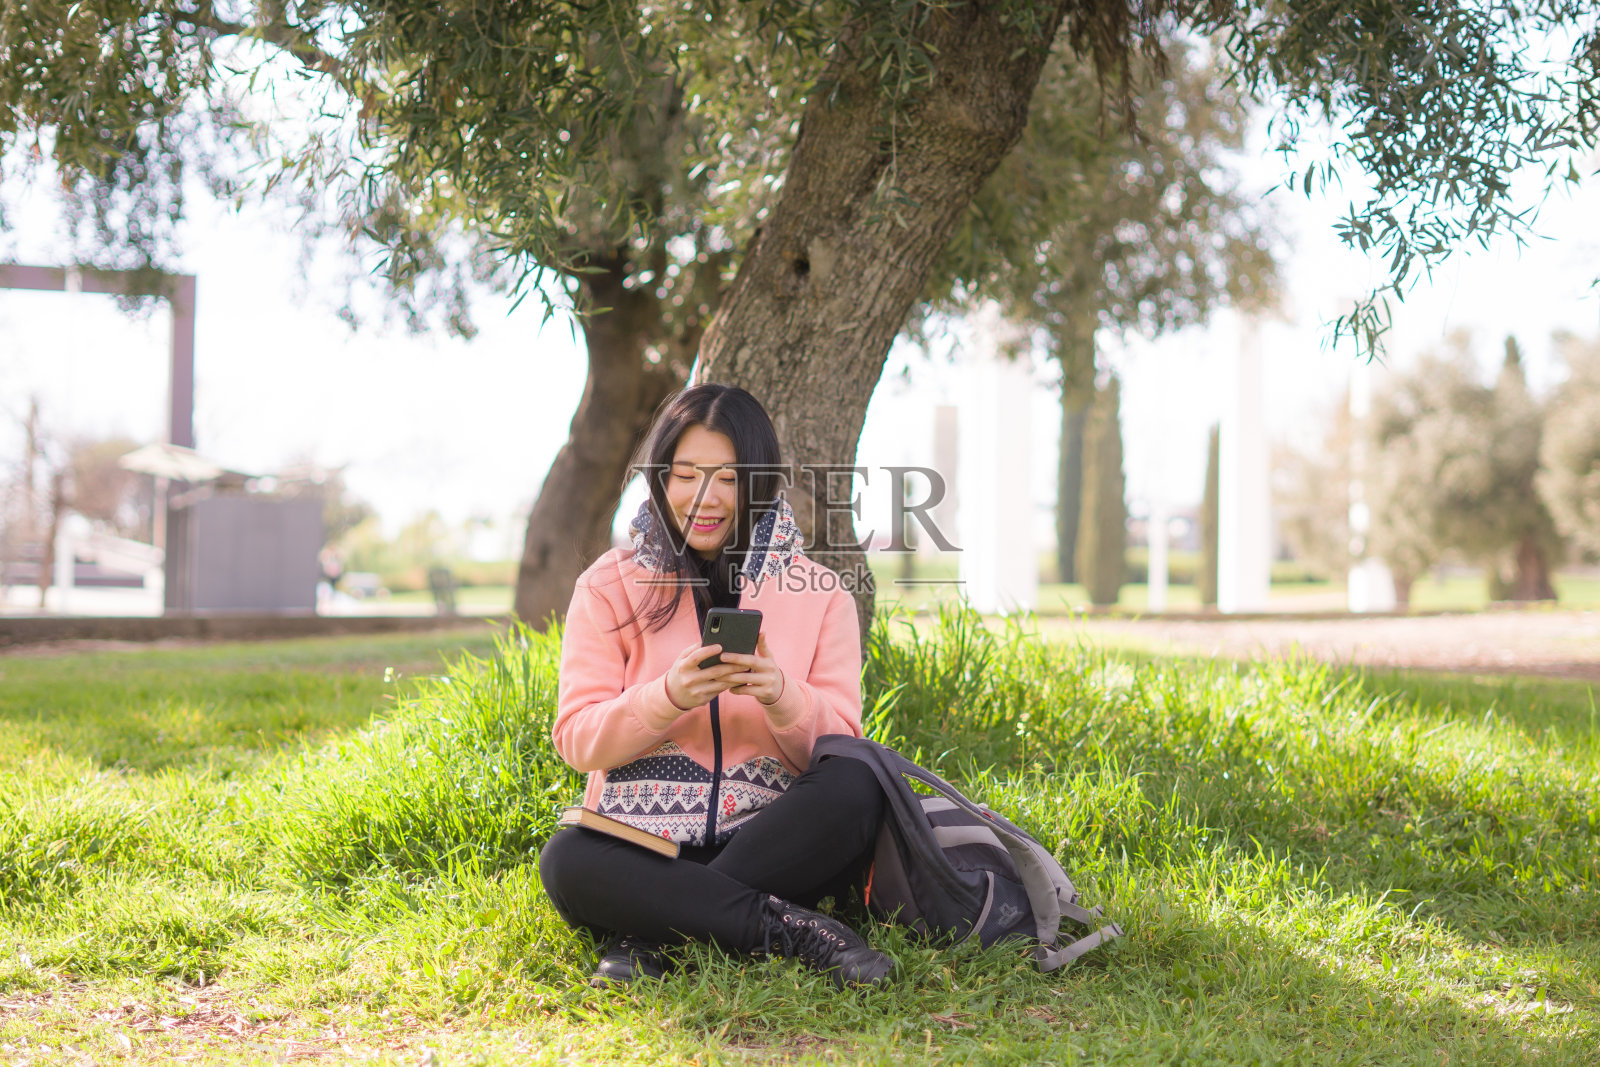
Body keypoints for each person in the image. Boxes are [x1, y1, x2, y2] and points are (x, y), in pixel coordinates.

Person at [538, 384, 893, 989]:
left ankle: (650, 929)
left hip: (775, 840)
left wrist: (783, 695)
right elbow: (578, 740)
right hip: (642, 841)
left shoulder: (821, 593)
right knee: (567, 858)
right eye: (686, 475)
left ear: (758, 483)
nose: (705, 497)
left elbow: (842, 744)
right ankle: (788, 929)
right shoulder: (609, 585)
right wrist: (666, 697)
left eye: (728, 478)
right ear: (660, 479)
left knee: (862, 781)